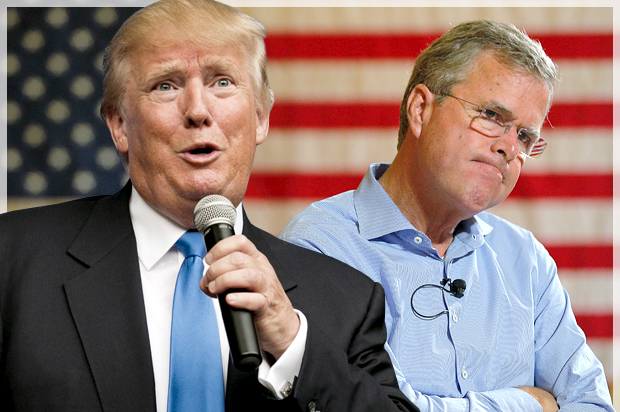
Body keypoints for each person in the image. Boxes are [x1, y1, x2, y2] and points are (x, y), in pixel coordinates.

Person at [0, 1, 420, 411]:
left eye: (222, 81)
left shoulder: (347, 299)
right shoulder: (12, 261)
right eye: (166, 85)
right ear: (119, 125)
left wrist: (292, 345)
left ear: (260, 117)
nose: (198, 111)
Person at [279, 20, 614, 412]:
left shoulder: (525, 260)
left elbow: (593, 404)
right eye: (491, 115)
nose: (509, 147)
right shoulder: (320, 247)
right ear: (421, 110)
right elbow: (376, 409)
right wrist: (531, 404)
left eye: (525, 136)